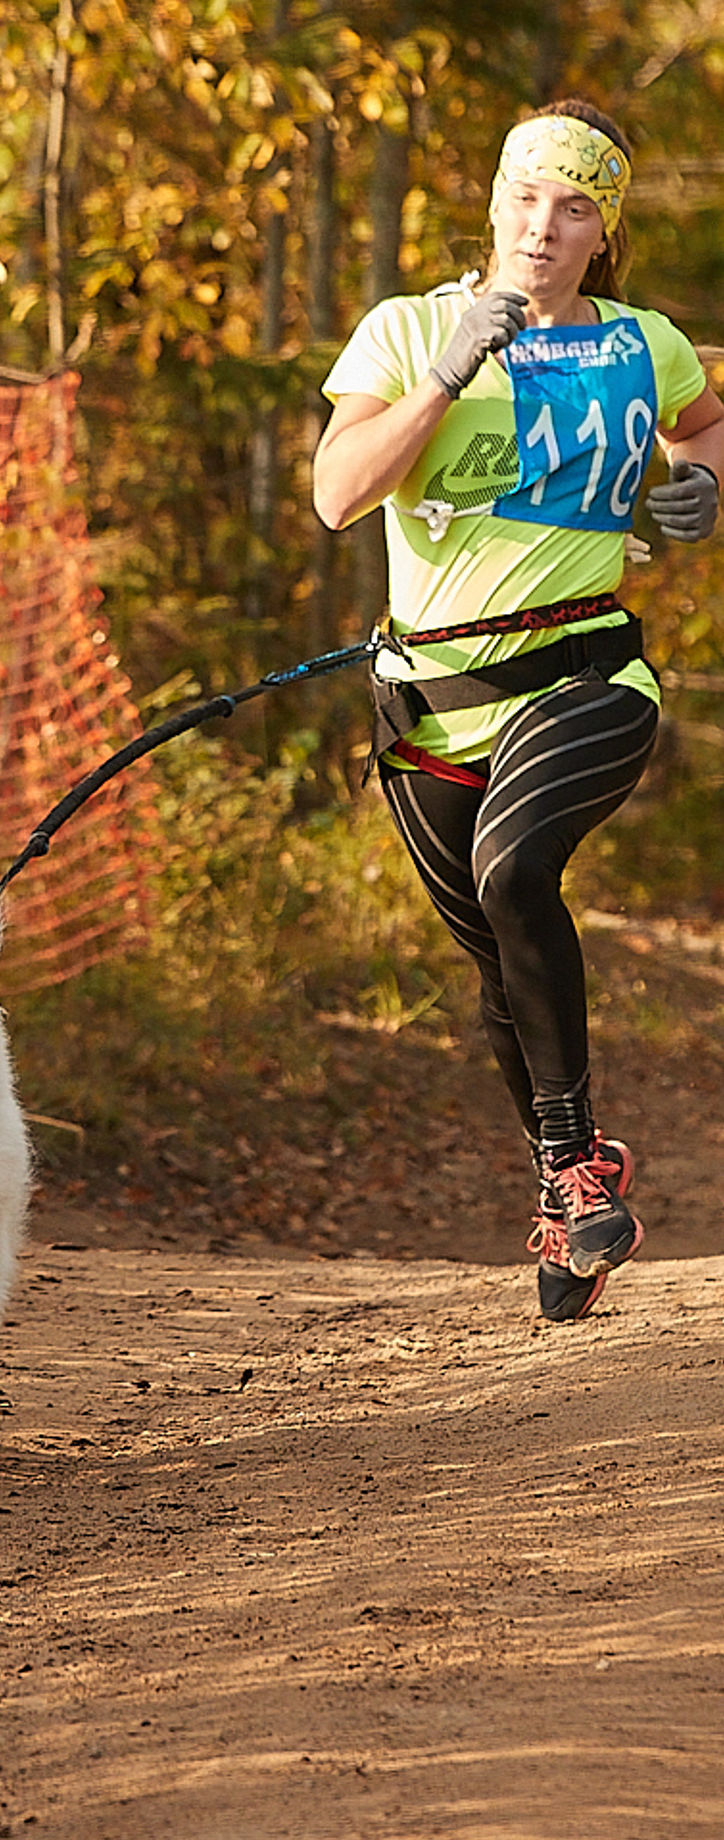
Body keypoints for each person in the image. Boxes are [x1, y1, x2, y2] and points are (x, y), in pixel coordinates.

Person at [314, 100, 724, 1320]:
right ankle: (569, 1180)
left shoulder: (644, 344)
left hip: (586, 674)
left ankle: (569, 1170)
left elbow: (706, 422)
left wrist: (703, 479)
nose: (543, 226)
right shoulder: (405, 330)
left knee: (513, 869)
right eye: (527, 197)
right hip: (430, 708)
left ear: (605, 232)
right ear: (495, 203)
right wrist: (448, 372)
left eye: (575, 207)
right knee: (501, 963)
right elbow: (338, 494)